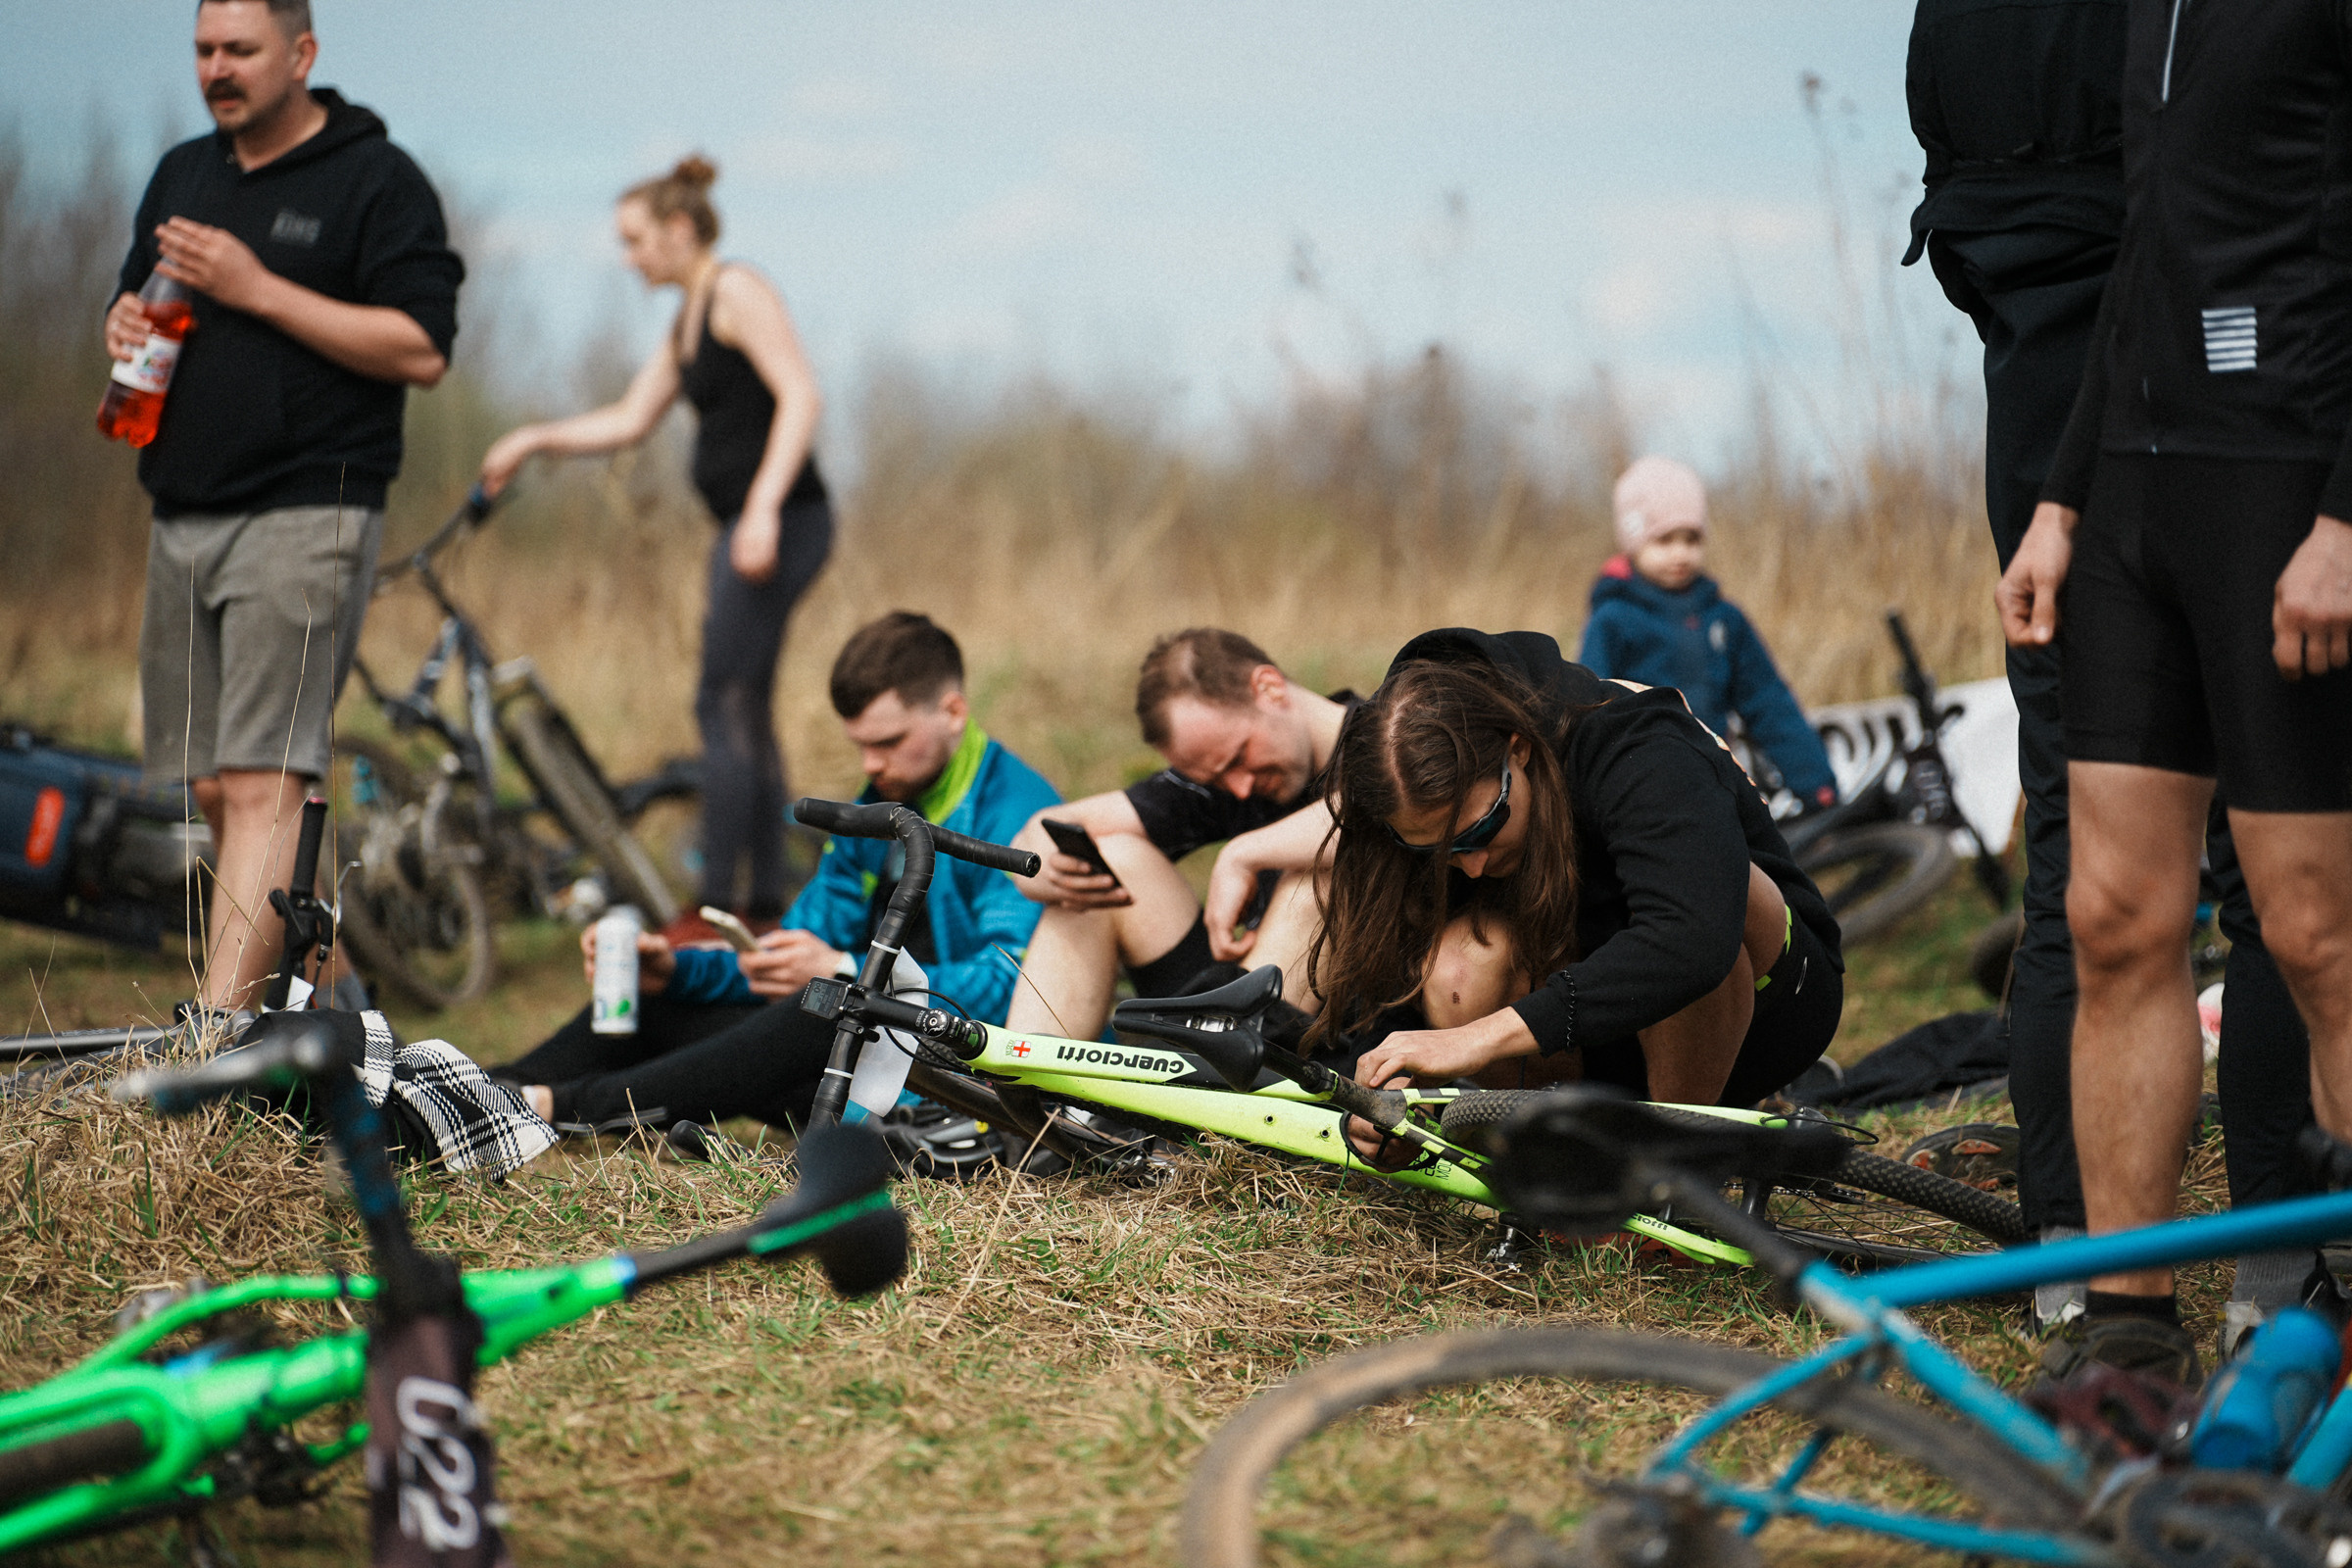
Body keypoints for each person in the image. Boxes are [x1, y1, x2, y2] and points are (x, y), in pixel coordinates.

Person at [1998, 0, 2352, 1379]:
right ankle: (2133, 1337)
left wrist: (2346, 516)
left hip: (2288, 482)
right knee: (2113, 918)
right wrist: (2063, 497)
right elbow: (2142, 250)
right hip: (2135, 495)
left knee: (2319, 934)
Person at [110, 0, 462, 1016]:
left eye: (241, 51)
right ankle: (341, 1019)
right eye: (204, 51)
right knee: (221, 789)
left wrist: (259, 288)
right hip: (182, 507)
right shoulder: (184, 172)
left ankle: (213, 1043)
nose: (218, 69)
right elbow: (137, 299)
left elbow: (422, 349)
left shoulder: (375, 182)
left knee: (269, 778)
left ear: (301, 54)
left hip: (310, 505)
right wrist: (118, 319)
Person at [499, 613, 1057, 1134]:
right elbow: (788, 958)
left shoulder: (1016, 816)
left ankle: (555, 1112)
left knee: (829, 1005)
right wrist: (677, 971)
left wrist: (846, 972)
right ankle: (489, 1093)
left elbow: (1015, 990)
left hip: (953, 1089)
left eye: (888, 743)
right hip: (845, 1060)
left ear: (954, 713)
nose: (870, 765)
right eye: (859, 745)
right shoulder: (879, 805)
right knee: (660, 1003)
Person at [479, 155, 828, 945]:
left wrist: (765, 508)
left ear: (679, 230)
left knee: (724, 701)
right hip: (747, 524)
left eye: (635, 240)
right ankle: (764, 901)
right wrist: (534, 440)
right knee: (745, 705)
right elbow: (630, 419)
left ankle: (717, 907)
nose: (629, 258)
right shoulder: (688, 318)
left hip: (781, 520)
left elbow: (801, 393)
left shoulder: (737, 290)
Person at [1316, 629, 1843, 1147]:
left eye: (1481, 830)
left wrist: (1478, 1038)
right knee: (1457, 964)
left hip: (1767, 1008)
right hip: (1595, 1034)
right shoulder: (1394, 781)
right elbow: (1385, 975)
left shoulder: (1633, 741)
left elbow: (1693, 940)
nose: (1470, 866)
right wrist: (1392, 1096)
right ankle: (1573, 1157)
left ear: (1516, 750)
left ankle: (1671, 1170)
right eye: (1434, 853)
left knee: (1708, 901)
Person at [1003, 629, 1353, 1044]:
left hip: (1341, 1030)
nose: (1239, 787)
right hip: (1231, 997)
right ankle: (1024, 1090)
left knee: (1317, 875)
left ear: (1269, 688)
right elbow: (1055, 823)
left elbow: (1382, 806)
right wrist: (1035, 862)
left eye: (1239, 756)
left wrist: (1242, 854)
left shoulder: (1392, 739)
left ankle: (1221, 1067)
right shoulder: (1235, 778)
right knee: (1110, 858)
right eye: (1215, 775)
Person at [1578, 456, 1839, 812]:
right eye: (1665, 540)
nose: (1681, 553)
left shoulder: (1723, 619)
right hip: (1641, 790)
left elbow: (1768, 702)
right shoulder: (1612, 619)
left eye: (1692, 539)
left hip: (1716, 780)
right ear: (1634, 541)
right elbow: (1589, 712)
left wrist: (1816, 784)